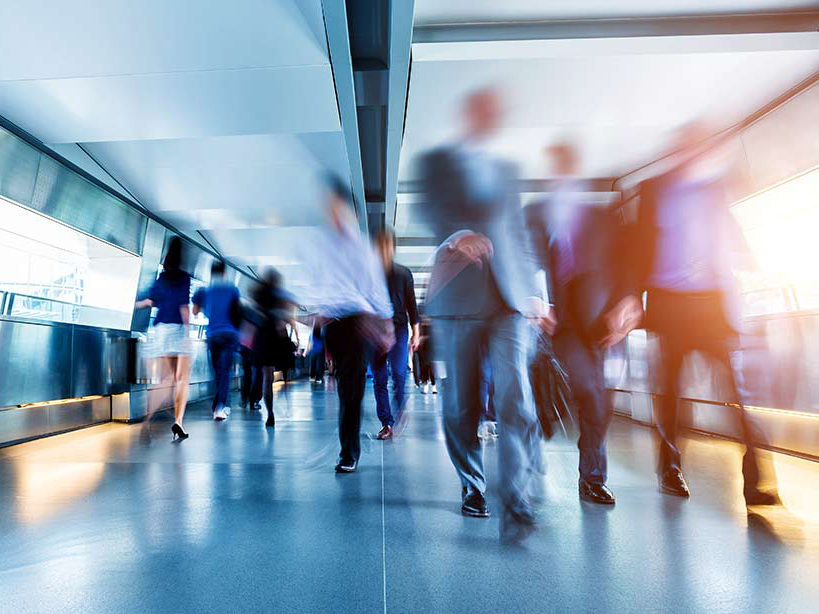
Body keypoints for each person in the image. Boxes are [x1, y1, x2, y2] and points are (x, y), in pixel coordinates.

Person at [625, 123, 779, 505]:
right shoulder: (654, 189)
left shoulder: (713, 189)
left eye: (701, 145)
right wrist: (633, 298)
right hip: (671, 304)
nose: (695, 152)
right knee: (671, 393)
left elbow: (730, 237)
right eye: (688, 145)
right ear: (677, 150)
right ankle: (670, 470)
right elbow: (640, 249)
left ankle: (756, 477)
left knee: (733, 392)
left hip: (710, 305)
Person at [418, 87, 542, 542]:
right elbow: (429, 209)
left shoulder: (507, 171)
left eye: (499, 109)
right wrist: (458, 233)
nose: (494, 116)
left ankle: (517, 496)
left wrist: (534, 293)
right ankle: (473, 485)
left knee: (516, 397)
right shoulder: (436, 164)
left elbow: (519, 235)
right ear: (468, 112)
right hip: (456, 298)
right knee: (461, 403)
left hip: (508, 300)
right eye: (486, 108)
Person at [526, 141, 638, 505]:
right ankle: (586, 469)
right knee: (588, 392)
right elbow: (525, 258)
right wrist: (539, 300)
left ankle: (591, 477)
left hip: (601, 317)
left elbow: (625, 264)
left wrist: (628, 301)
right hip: (562, 317)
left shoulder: (601, 217)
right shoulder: (536, 214)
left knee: (601, 400)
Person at [299, 175, 393, 473]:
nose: (332, 212)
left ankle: (348, 452)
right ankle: (348, 445)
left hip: (358, 323)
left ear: (346, 208)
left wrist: (386, 324)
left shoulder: (361, 248)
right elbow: (315, 284)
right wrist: (313, 311)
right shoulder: (320, 247)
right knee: (344, 389)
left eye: (336, 205)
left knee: (352, 389)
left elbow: (375, 287)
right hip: (334, 325)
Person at [135, 237, 193, 441]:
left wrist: (134, 304)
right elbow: (184, 308)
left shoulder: (162, 277)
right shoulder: (184, 278)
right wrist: (187, 334)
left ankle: (147, 418)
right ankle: (178, 421)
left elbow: (151, 301)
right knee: (181, 379)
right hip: (177, 329)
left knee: (165, 380)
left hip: (160, 330)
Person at [370, 229, 420, 440]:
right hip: (375, 332)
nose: (383, 250)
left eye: (386, 245)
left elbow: (412, 306)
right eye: (379, 245)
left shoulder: (403, 273)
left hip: (399, 330)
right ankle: (386, 423)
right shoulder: (369, 273)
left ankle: (400, 406)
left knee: (399, 373)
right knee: (379, 379)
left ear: (392, 248)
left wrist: (416, 333)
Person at [193, 260, 242, 421]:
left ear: (211, 272)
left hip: (212, 336)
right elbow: (237, 313)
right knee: (225, 372)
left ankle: (219, 405)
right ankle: (219, 407)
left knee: (217, 372)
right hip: (229, 335)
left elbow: (195, 311)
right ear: (223, 273)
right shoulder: (232, 290)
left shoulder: (205, 291)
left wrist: (209, 311)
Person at [251, 268, 298, 428]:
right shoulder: (280, 297)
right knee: (279, 372)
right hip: (277, 340)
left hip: (263, 339)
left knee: (267, 378)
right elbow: (284, 317)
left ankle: (270, 413)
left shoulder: (259, 295)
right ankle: (284, 391)